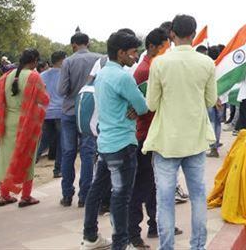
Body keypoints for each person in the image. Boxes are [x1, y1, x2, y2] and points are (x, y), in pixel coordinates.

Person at [143, 15, 217, 250]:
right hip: (195, 139)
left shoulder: (160, 63)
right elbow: (211, 100)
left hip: (166, 141)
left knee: (164, 200)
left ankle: (167, 247)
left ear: (172, 34)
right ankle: (198, 246)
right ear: (193, 34)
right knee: (198, 196)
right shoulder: (206, 63)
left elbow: (152, 104)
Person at [81, 30, 149, 250]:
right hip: (122, 143)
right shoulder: (122, 76)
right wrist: (133, 108)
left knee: (97, 190)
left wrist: (130, 107)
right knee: (121, 196)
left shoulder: (102, 74)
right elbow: (142, 106)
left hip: (106, 142)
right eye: (132, 52)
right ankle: (120, 243)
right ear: (120, 53)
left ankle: (90, 236)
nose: (135, 56)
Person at [129, 28, 183, 249]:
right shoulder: (144, 71)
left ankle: (154, 224)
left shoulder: (153, 67)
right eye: (163, 47)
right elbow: (144, 107)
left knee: (153, 185)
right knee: (141, 187)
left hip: (154, 134)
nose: (167, 50)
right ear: (151, 47)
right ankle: (133, 233)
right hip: (145, 135)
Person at [0, 48, 49, 208]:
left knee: (5, 158)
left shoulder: (5, 77)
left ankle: (4, 195)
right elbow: (44, 98)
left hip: (7, 122)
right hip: (27, 123)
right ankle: (26, 196)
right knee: (27, 157)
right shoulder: (34, 76)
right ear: (35, 61)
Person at [58, 32, 103, 207]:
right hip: (89, 111)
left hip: (70, 111)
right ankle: (85, 195)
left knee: (68, 153)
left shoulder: (68, 61)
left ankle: (67, 194)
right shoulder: (100, 59)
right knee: (88, 153)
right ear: (88, 43)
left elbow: (62, 90)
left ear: (73, 45)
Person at [38, 50, 66, 178]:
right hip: (60, 111)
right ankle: (58, 169)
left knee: (43, 141)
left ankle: (30, 163)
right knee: (61, 143)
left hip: (47, 111)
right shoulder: (65, 74)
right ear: (62, 60)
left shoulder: (42, 75)